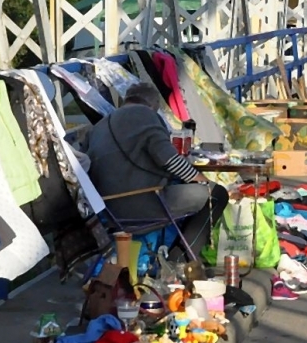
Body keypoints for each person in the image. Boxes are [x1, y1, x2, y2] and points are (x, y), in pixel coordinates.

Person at [85, 84, 226, 257]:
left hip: (107, 210)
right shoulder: (145, 115)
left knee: (182, 185)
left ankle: (171, 253)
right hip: (143, 203)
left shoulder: (99, 126)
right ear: (153, 104)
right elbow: (169, 159)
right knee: (217, 194)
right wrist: (202, 180)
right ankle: (181, 259)